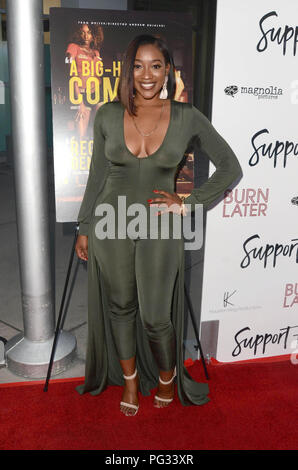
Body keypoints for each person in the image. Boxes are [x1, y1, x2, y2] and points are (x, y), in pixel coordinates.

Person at [75, 34, 242, 416]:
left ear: (168, 70)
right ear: (127, 70)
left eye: (155, 66)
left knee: (155, 315)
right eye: (138, 65)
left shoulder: (186, 116)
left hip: (160, 224)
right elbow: (96, 174)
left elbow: (230, 167)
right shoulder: (107, 114)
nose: (146, 75)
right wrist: (85, 226)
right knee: (120, 306)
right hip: (110, 223)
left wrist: (188, 202)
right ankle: (130, 383)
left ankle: (167, 379)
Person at [65, 23, 104, 139]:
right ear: (79, 34)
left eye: (89, 32)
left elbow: (98, 74)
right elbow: (70, 72)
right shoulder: (73, 47)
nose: (86, 36)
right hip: (81, 93)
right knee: (81, 136)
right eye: (83, 32)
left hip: (97, 93)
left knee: (100, 133)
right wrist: (80, 102)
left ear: (94, 35)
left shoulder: (96, 52)